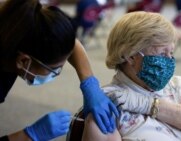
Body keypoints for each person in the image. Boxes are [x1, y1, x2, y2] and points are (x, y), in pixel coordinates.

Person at [80, 11, 181, 141]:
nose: (169, 61)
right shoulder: (109, 105)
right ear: (130, 56)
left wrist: (150, 105)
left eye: (171, 53)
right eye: (161, 54)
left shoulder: (173, 86)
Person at [0, 0, 119, 140]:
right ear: (24, 61)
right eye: (54, 69)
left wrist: (90, 84)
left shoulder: (19, 23)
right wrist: (29, 135)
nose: (56, 74)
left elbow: (69, 43)